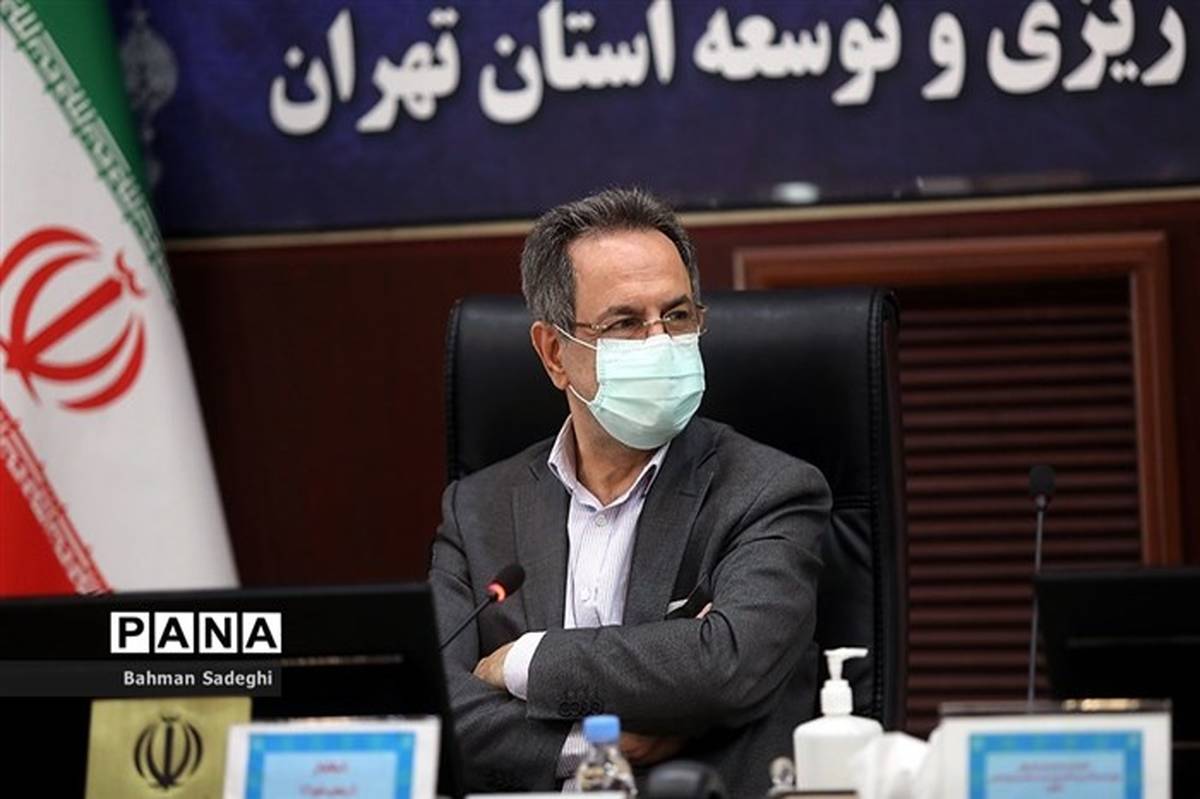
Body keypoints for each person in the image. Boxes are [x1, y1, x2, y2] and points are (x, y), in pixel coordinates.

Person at [429, 187, 831, 795]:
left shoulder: (770, 492)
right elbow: (434, 702)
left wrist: (521, 661)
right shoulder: (477, 509)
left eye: (678, 316)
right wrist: (585, 746)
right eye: (624, 323)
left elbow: (725, 666)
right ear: (554, 353)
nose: (660, 342)